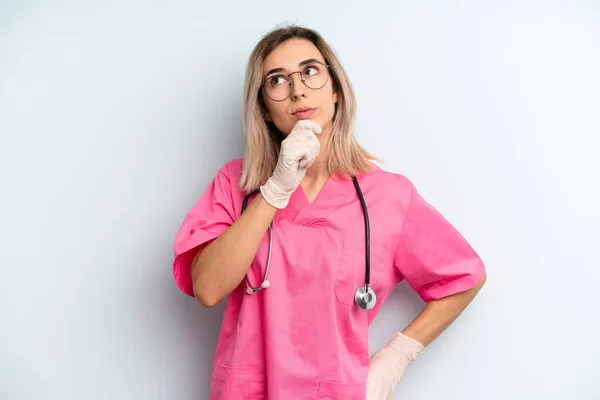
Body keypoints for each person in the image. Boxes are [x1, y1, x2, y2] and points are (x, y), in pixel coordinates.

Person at [172, 25, 486, 400]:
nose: (298, 89)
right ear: (265, 110)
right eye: (277, 80)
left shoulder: (387, 196)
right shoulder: (235, 184)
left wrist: (398, 356)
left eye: (310, 71)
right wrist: (274, 191)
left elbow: (465, 277)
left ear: (335, 89)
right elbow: (207, 288)